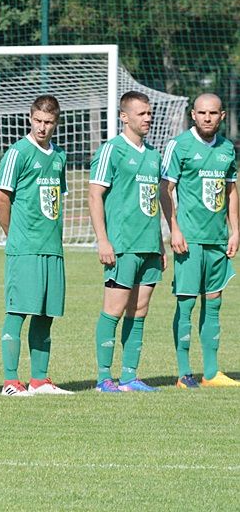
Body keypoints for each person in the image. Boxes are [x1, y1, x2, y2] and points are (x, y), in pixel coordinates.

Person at [0, 94, 73, 396]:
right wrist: (12, 234)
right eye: (38, 121)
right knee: (18, 311)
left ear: (56, 123)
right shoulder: (18, 152)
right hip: (24, 247)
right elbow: (1, 197)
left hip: (52, 246)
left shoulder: (60, 156)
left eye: (48, 122)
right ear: (30, 118)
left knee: (45, 313)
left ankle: (39, 380)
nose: (42, 127)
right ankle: (10, 381)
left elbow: (54, 201)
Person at [160, 93, 240, 388]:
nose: (208, 118)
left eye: (213, 113)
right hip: (189, 240)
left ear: (222, 116)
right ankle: (184, 373)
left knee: (215, 302)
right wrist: (174, 229)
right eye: (202, 113)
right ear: (193, 115)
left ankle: (211, 372)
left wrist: (235, 230)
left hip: (217, 240)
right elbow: (165, 189)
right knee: (186, 303)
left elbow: (231, 191)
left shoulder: (227, 149)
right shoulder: (179, 146)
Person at [89, 91, 164, 393]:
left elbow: (153, 202)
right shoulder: (112, 150)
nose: (148, 118)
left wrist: (161, 243)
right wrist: (103, 241)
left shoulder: (154, 155)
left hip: (149, 245)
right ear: (124, 116)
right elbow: (95, 195)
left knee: (140, 309)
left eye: (149, 113)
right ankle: (104, 377)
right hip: (122, 244)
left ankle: (130, 376)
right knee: (114, 309)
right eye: (142, 113)